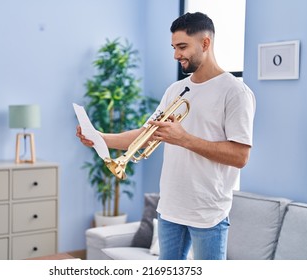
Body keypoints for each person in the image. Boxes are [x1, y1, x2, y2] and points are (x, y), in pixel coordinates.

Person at [76, 12, 255, 260]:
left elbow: (240, 156)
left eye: (182, 47)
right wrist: (99, 137)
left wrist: (184, 138)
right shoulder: (176, 89)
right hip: (170, 208)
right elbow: (145, 134)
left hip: (208, 213)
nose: (176, 55)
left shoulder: (235, 92)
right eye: (173, 47)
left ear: (205, 43)